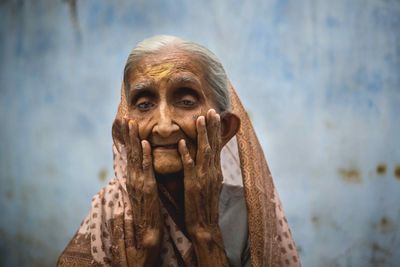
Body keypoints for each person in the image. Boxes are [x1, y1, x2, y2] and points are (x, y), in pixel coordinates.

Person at [57, 35, 300, 267]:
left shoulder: (251, 216)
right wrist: (147, 244)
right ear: (124, 131)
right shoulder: (111, 211)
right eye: (144, 104)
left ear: (223, 129)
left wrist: (205, 233)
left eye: (185, 101)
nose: (163, 126)